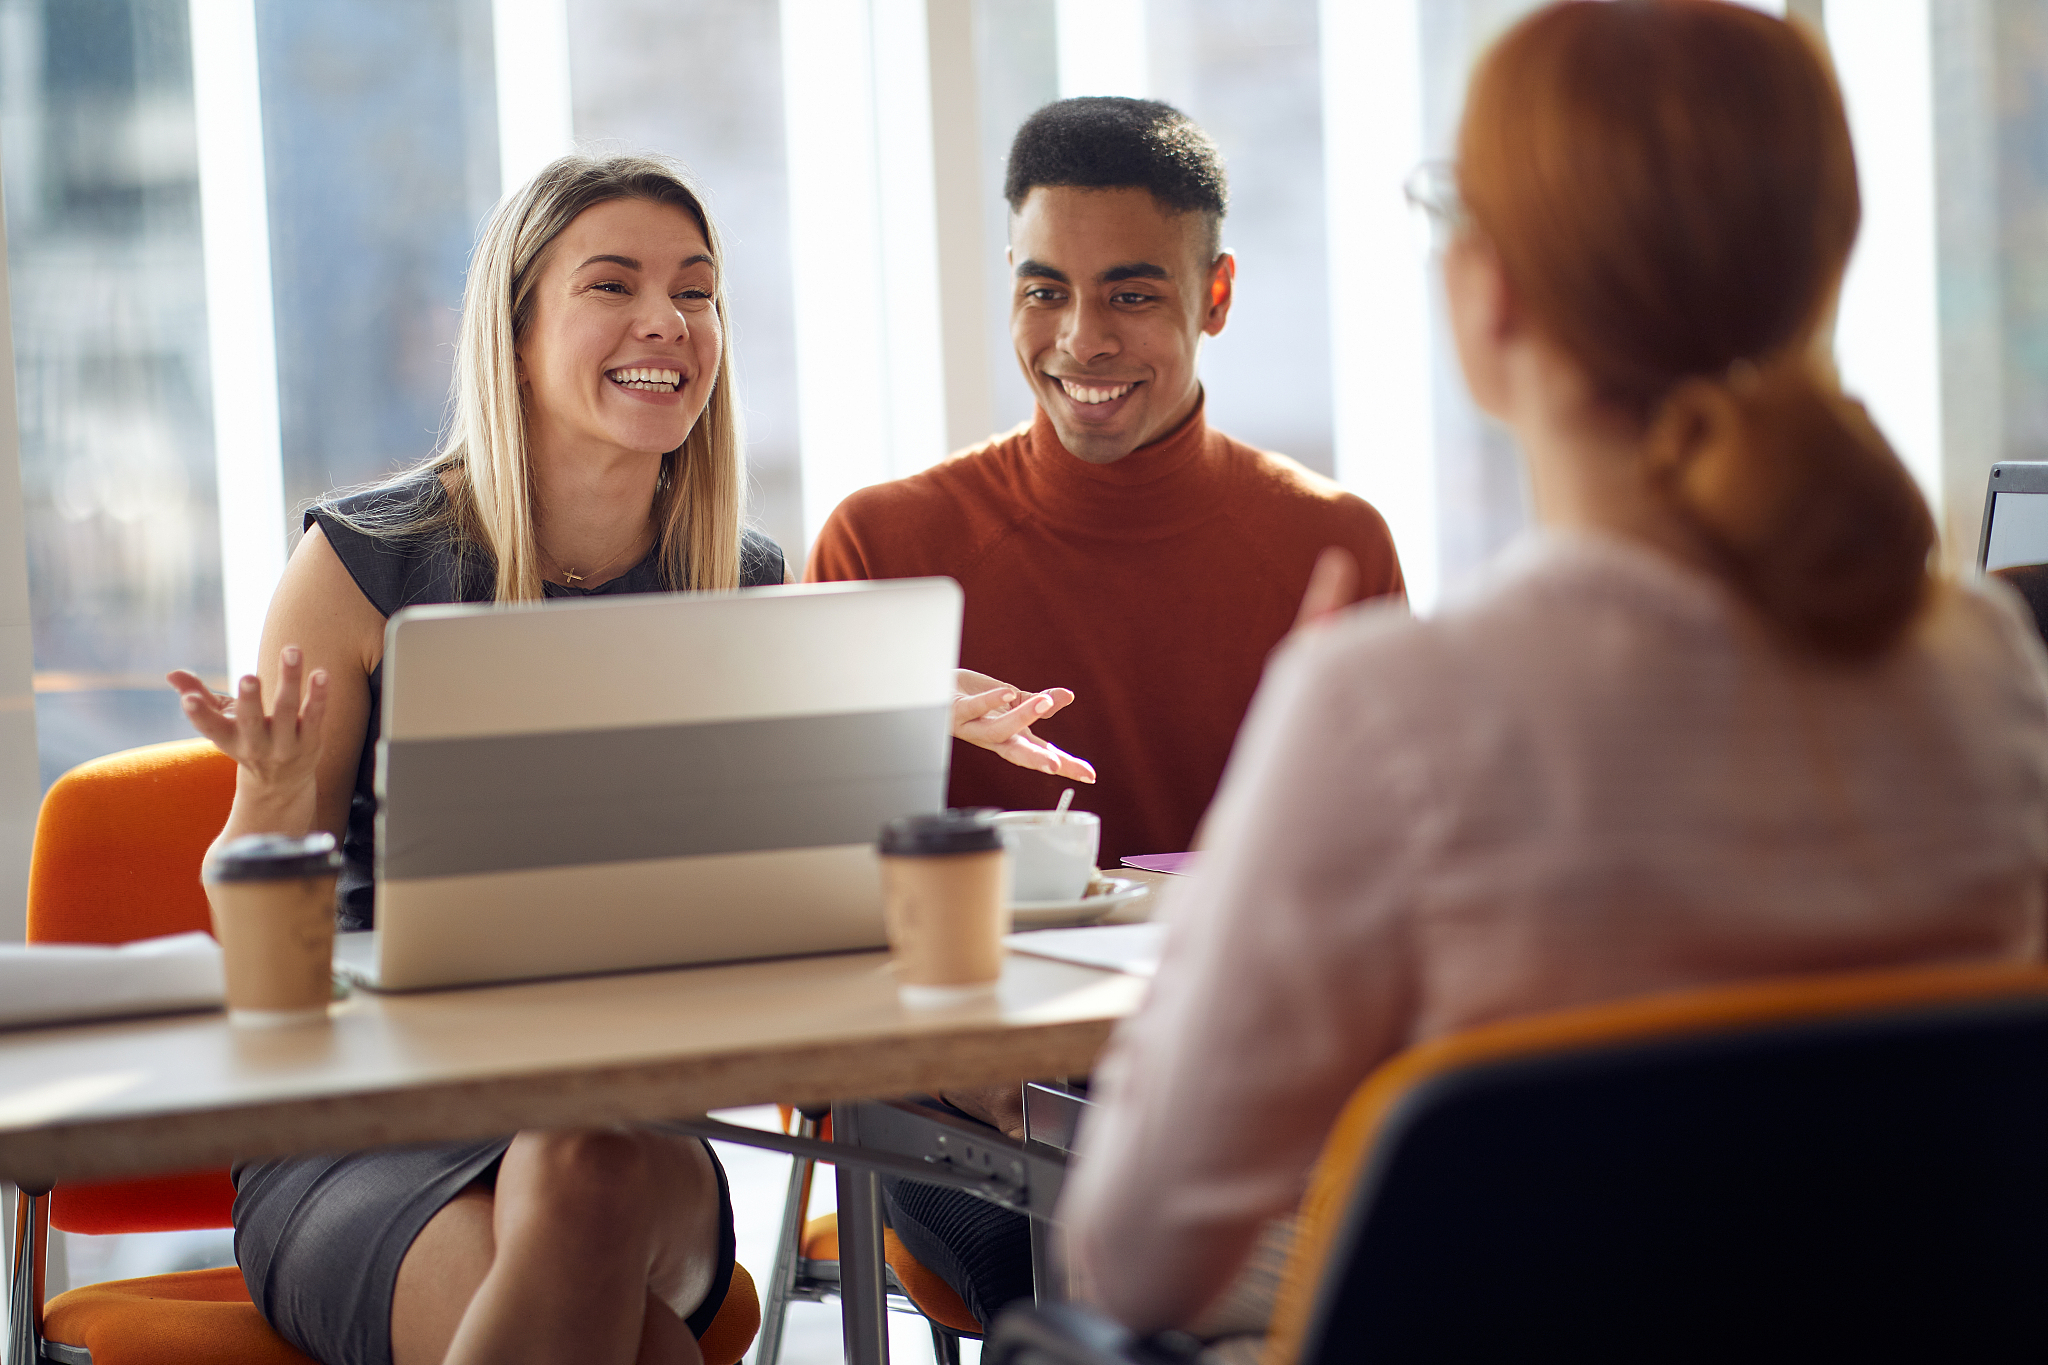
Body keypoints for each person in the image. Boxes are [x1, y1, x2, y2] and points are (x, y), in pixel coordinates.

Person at [1060, 0, 2048, 1349]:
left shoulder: (1387, 714)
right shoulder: (1983, 668)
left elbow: (1129, 1257)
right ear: (1822, 268)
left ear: (1493, 289)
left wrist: (1260, 852)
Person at [166, 153, 1088, 1365]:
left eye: (697, 292)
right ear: (513, 335)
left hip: (630, 1126)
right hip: (368, 1128)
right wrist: (280, 799)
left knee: (590, 1165)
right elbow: (254, 948)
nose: (668, 322)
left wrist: (860, 723)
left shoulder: (746, 587)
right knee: (625, 1325)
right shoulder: (362, 568)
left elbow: (788, 930)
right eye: (613, 285)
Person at [802, 96, 1407, 1329]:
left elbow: (1385, 906)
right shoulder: (882, 544)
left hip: (1256, 1095)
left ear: (1215, 294)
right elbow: (810, 914)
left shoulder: (1330, 546)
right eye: (1043, 291)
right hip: (973, 1118)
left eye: (1131, 294)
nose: (1080, 339)